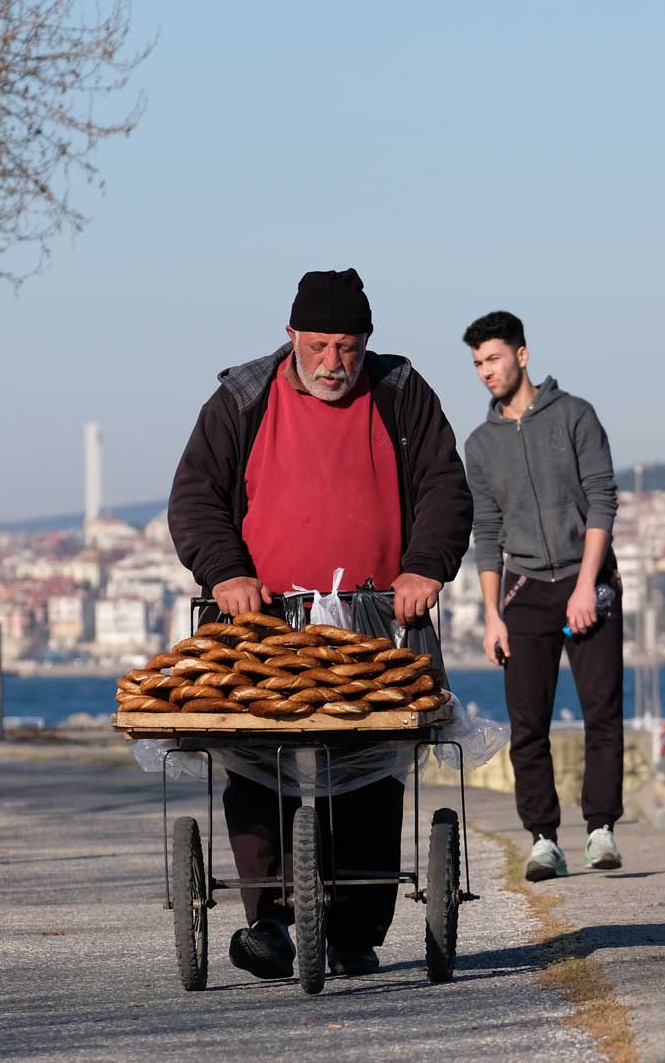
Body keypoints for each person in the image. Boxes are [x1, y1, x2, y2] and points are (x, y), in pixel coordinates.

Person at [167, 268, 472, 978]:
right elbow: (195, 498)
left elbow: (443, 487)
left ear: (366, 341)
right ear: (291, 337)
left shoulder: (401, 391)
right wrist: (226, 572)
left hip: (375, 614)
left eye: (348, 347)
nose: (335, 362)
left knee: (369, 765)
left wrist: (425, 566)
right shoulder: (242, 398)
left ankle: (355, 926)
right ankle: (270, 921)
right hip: (262, 619)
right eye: (321, 346)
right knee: (257, 759)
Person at [461, 310, 625, 881]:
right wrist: (491, 616)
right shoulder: (479, 445)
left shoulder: (576, 416)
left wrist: (586, 583)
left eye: (494, 358)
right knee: (526, 722)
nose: (486, 371)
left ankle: (601, 829)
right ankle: (543, 840)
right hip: (524, 589)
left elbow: (602, 500)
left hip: (590, 581)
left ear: (522, 355)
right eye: (478, 362)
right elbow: (486, 532)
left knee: (602, 712)